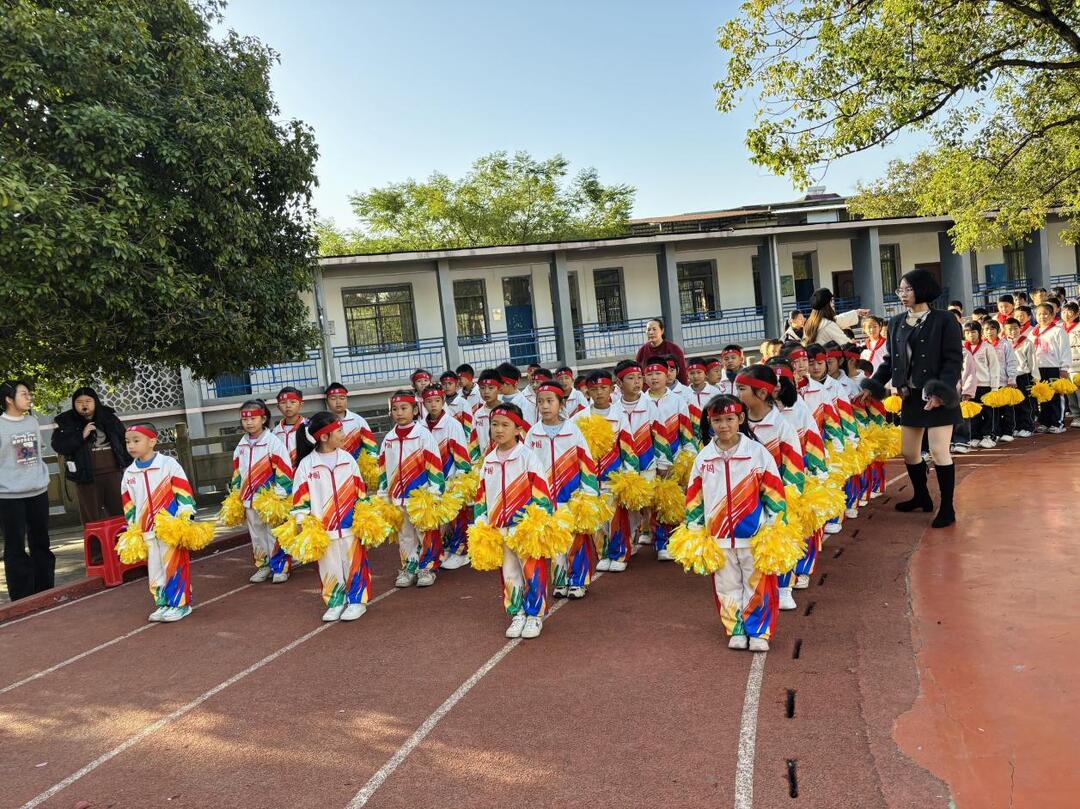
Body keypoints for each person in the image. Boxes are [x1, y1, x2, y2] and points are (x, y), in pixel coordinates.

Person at [859, 269, 962, 529]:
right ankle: (921, 496)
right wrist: (873, 385)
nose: (903, 295)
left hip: (939, 396)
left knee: (939, 451)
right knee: (909, 452)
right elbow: (890, 361)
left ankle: (947, 507)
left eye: (908, 289)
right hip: (911, 397)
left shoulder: (944, 320)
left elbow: (953, 361)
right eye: (900, 290)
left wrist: (940, 392)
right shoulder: (896, 322)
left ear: (922, 290)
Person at [685, 395, 786, 652]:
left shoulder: (757, 453)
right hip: (718, 538)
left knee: (758, 584)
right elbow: (694, 498)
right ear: (710, 422)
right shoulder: (704, 458)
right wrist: (694, 529)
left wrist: (774, 527)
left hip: (754, 536)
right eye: (717, 420)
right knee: (726, 586)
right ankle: (736, 629)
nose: (724, 425)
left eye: (729, 419)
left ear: (740, 418)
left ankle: (759, 631)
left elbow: (774, 492)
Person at [473, 403, 553, 639]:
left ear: (518, 429)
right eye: (494, 425)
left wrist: (534, 522)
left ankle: (535, 615)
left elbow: (542, 493)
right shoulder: (489, 461)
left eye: (505, 425)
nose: (498, 430)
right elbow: (481, 495)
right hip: (499, 528)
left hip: (524, 528)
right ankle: (517, 612)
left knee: (532, 570)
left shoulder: (528, 457)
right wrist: (481, 520)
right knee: (508, 573)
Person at [735, 365, 805, 612]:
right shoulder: (737, 422)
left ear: (762, 393)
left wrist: (787, 495)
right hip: (745, 495)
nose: (737, 394)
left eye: (741, 389)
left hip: (777, 493)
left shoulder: (781, 426)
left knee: (778, 538)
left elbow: (794, 464)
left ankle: (784, 588)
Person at [291, 411, 369, 622]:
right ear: (324, 436)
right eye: (339, 431)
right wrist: (301, 520)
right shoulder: (306, 465)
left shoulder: (347, 459)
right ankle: (335, 602)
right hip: (323, 529)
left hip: (351, 525)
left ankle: (357, 602)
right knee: (329, 567)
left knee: (354, 564)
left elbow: (360, 490)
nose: (344, 434)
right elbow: (299, 499)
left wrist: (365, 517)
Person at [525, 381, 599, 599]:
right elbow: (526, 466)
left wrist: (588, 494)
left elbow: (586, 462)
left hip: (572, 496)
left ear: (561, 403)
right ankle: (560, 581)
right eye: (540, 402)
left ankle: (578, 581)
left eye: (550, 401)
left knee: (576, 539)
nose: (545, 406)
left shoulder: (572, 431)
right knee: (555, 541)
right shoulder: (533, 433)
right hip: (545, 499)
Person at [121, 423, 198, 622]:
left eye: (136, 441)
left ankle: (180, 604)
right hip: (147, 531)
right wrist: (133, 528)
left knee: (174, 566)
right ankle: (163, 603)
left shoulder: (168, 464)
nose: (131, 445)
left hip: (171, 528)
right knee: (155, 569)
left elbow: (183, 491)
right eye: (127, 442)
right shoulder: (129, 473)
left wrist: (186, 517)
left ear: (152, 441)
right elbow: (128, 505)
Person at [378, 390, 445, 588]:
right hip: (397, 498)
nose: (399, 413)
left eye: (404, 408)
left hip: (420, 498)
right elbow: (382, 468)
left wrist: (434, 492)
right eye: (395, 409)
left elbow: (434, 464)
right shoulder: (388, 439)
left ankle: (428, 568)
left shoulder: (423, 435)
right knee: (405, 535)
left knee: (426, 533)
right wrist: (383, 493)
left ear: (415, 410)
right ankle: (409, 566)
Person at [0, 380, 53, 601]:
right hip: (9, 495)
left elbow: (38, 451)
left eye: (29, 393)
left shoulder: (32, 421)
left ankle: (46, 590)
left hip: (38, 490)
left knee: (41, 542)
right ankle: (22, 597)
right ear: (9, 399)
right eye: (24, 394)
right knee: (15, 546)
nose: (29, 397)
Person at [230, 399, 293, 583]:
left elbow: (284, 470)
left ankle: (280, 567)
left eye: (253, 418)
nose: (249, 423)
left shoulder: (273, 443)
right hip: (249, 500)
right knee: (256, 535)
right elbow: (237, 473)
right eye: (245, 419)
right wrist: (236, 495)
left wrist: (279, 495)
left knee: (275, 533)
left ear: (263, 419)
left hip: (271, 501)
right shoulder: (241, 446)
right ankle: (263, 566)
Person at [50, 386, 131, 523]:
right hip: (86, 475)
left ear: (95, 402)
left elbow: (124, 441)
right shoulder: (66, 421)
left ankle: (122, 537)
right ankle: (95, 538)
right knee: (92, 517)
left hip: (114, 472)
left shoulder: (108, 417)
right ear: (74, 404)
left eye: (88, 401)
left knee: (120, 513)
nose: (84, 405)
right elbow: (59, 446)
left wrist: (128, 466)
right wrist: (81, 435)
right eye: (79, 402)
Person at [578, 370, 632, 573]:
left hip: (614, 477)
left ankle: (619, 554)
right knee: (596, 520)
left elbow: (627, 447)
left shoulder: (619, 416)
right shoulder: (579, 418)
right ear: (587, 392)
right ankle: (602, 554)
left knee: (615, 518)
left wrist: (629, 475)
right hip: (589, 479)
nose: (599, 392)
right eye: (594, 389)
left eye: (603, 388)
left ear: (611, 389)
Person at [644, 360, 693, 560]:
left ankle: (675, 540)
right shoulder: (642, 402)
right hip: (650, 461)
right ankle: (661, 543)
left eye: (658, 374)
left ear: (667, 376)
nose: (654, 378)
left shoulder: (678, 401)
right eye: (649, 374)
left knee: (675, 501)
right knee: (657, 502)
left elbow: (686, 432)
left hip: (676, 459)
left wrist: (687, 458)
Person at [422, 385, 472, 571]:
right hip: (431, 481)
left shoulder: (453, 424)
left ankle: (461, 552)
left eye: (437, 401)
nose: (433, 405)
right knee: (439, 519)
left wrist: (459, 478)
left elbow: (461, 454)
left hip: (451, 477)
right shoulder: (421, 427)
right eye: (429, 401)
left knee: (456, 516)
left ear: (443, 401)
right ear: (423, 403)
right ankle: (446, 549)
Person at [614, 360, 659, 546]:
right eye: (631, 378)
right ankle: (630, 538)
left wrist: (663, 461)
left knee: (652, 501)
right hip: (624, 466)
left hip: (647, 461)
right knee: (628, 504)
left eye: (639, 377)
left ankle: (657, 538)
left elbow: (660, 435)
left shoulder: (650, 405)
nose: (637, 382)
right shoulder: (614, 409)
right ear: (619, 383)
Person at [960, 320, 1001, 449]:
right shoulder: (962, 348)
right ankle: (975, 436)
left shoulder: (987, 347)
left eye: (973, 332)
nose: (970, 335)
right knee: (973, 413)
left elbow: (994, 367)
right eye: (967, 332)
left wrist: (994, 387)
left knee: (988, 412)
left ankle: (989, 436)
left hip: (985, 385)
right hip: (969, 387)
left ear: (979, 332)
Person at [1030, 302, 1070, 433]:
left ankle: (1058, 423)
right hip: (1039, 368)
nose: (1042, 317)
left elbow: (1065, 349)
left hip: (1054, 367)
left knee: (1056, 396)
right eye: (1039, 314)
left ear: (1052, 315)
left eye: (1045, 314)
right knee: (1043, 396)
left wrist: (1064, 368)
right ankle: (1045, 422)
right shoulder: (1033, 332)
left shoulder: (1058, 331)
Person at [983, 319, 1017, 443]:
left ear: (998, 330)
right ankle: (995, 432)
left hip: (1004, 382)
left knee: (1007, 409)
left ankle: (1008, 432)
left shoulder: (1005, 344)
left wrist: (1011, 378)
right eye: (986, 329)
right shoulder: (983, 346)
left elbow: (1011, 362)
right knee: (993, 410)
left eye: (992, 329)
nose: (989, 332)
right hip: (989, 383)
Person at [324, 383, 377, 462]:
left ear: (346, 399)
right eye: (333, 398)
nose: (338, 402)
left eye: (342, 398)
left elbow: (371, 446)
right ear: (326, 401)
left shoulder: (358, 421)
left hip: (357, 466)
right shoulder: (323, 423)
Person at [1004, 317, 1038, 438]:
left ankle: (1027, 427)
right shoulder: (1004, 343)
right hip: (1009, 378)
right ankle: (1017, 426)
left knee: (1025, 403)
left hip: (1024, 376)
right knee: (1014, 404)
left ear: (1020, 328)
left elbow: (1032, 361)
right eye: (1009, 329)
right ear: (1004, 330)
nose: (1013, 331)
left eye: (1015, 328)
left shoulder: (1027, 342)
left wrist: (1035, 377)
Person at [801, 288, 869, 347]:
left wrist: (857, 312)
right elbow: (846, 344)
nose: (833, 304)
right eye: (831, 301)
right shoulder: (828, 325)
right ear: (827, 305)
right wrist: (857, 345)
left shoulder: (810, 323)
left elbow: (837, 320)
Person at [635, 317, 688, 384]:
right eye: (648, 330)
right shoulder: (642, 351)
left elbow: (682, 375)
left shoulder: (674, 349)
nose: (651, 332)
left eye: (654, 329)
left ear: (662, 331)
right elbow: (638, 374)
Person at [469, 369, 502, 464]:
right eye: (482, 388)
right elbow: (474, 442)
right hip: (485, 463)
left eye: (491, 388)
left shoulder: (508, 411)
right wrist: (476, 464)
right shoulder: (478, 415)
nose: (486, 392)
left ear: (499, 388)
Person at [272, 387, 307, 465]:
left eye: (292, 402)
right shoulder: (275, 432)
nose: (288, 406)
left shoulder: (309, 428)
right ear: (278, 407)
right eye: (283, 403)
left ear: (301, 405)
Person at [1062, 302, 1080, 427]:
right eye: (1064, 312)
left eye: (1070, 312)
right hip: (1065, 366)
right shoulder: (1059, 328)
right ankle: (1076, 415)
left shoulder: (1078, 328)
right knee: (1070, 392)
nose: (1066, 315)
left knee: (1078, 391)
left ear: (1077, 314)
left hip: (1077, 365)